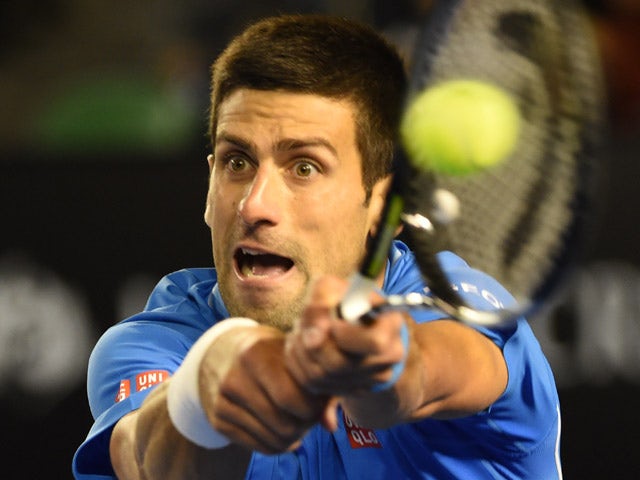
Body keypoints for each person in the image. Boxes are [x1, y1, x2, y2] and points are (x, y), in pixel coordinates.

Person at [72, 14, 562, 480]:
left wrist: (379, 366)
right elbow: (145, 459)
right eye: (236, 162)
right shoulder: (159, 340)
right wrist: (202, 391)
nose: (253, 205)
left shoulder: (451, 302)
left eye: (304, 167)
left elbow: (433, 370)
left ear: (381, 206)